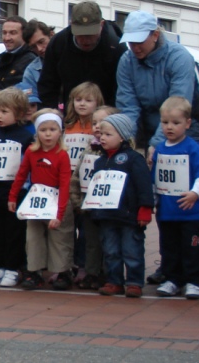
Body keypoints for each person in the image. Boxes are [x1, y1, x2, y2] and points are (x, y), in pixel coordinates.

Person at [85, 113, 153, 298]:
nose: (103, 138)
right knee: (111, 251)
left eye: (108, 134)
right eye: (102, 134)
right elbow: (96, 187)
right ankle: (114, 281)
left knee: (132, 250)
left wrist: (145, 209)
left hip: (129, 216)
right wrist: (94, 209)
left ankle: (134, 282)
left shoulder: (133, 159)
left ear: (122, 136)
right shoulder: (100, 161)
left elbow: (144, 185)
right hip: (106, 215)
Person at [115, 10, 199, 149]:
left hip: (187, 130)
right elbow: (128, 106)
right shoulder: (126, 61)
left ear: (155, 35)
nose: (135, 47)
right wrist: (126, 140)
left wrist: (157, 144)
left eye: (140, 41)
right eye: (131, 42)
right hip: (147, 130)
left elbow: (177, 107)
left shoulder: (180, 58)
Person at [8, 109, 74, 291]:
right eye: (43, 130)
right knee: (33, 236)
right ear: (37, 132)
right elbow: (21, 175)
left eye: (53, 129)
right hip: (36, 200)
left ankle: (62, 271)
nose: (48, 134)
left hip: (57, 198)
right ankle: (34, 271)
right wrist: (13, 196)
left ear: (59, 132)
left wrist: (59, 213)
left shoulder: (61, 155)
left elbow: (65, 184)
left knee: (60, 237)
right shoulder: (31, 151)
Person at [150, 96, 199, 299]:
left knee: (193, 249)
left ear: (188, 123)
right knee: (169, 247)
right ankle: (172, 279)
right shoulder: (160, 149)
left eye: (176, 123)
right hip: (168, 212)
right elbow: (155, 177)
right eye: (165, 123)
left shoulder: (193, 148)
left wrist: (195, 193)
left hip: (192, 212)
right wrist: (154, 199)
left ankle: (194, 281)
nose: (169, 127)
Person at [0, 88, 33, 288]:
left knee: (14, 231)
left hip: (16, 191)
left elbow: (27, 167)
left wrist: (23, 191)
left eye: (5, 112)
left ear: (19, 114)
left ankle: (12, 267)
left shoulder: (25, 137)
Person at [38, 1, 126, 108]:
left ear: (101, 25)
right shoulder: (59, 43)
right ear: (71, 24)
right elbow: (48, 84)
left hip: (105, 112)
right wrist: (52, 114)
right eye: (80, 34)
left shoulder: (116, 47)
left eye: (90, 34)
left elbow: (121, 90)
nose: (85, 40)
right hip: (71, 111)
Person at [69, 106, 118, 290]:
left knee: (109, 241)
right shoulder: (89, 149)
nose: (97, 127)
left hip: (109, 207)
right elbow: (77, 175)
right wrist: (76, 200)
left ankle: (108, 273)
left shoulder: (119, 153)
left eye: (102, 123)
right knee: (91, 242)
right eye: (94, 122)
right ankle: (91, 272)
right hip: (87, 205)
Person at [0, 16, 37, 90]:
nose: (7, 38)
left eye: (12, 33)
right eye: (4, 33)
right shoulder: (3, 57)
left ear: (24, 34)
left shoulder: (30, 60)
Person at [17, 19, 54, 104]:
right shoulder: (31, 71)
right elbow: (32, 104)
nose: (39, 49)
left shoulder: (67, 58)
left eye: (41, 42)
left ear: (51, 35)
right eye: (33, 46)